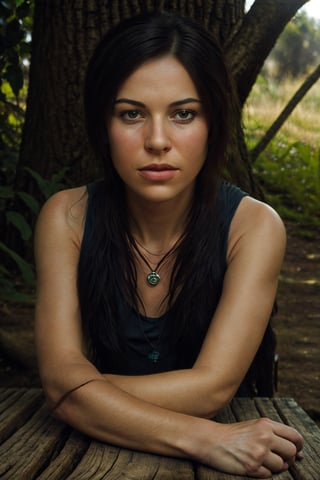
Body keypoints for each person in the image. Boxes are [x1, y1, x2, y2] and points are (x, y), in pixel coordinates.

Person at [34, 11, 303, 478]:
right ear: (104, 123)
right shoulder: (66, 217)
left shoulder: (254, 226)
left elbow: (212, 389)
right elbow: (60, 379)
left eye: (183, 114)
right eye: (131, 113)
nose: (157, 141)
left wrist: (79, 392)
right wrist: (210, 439)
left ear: (214, 122)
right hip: (111, 457)